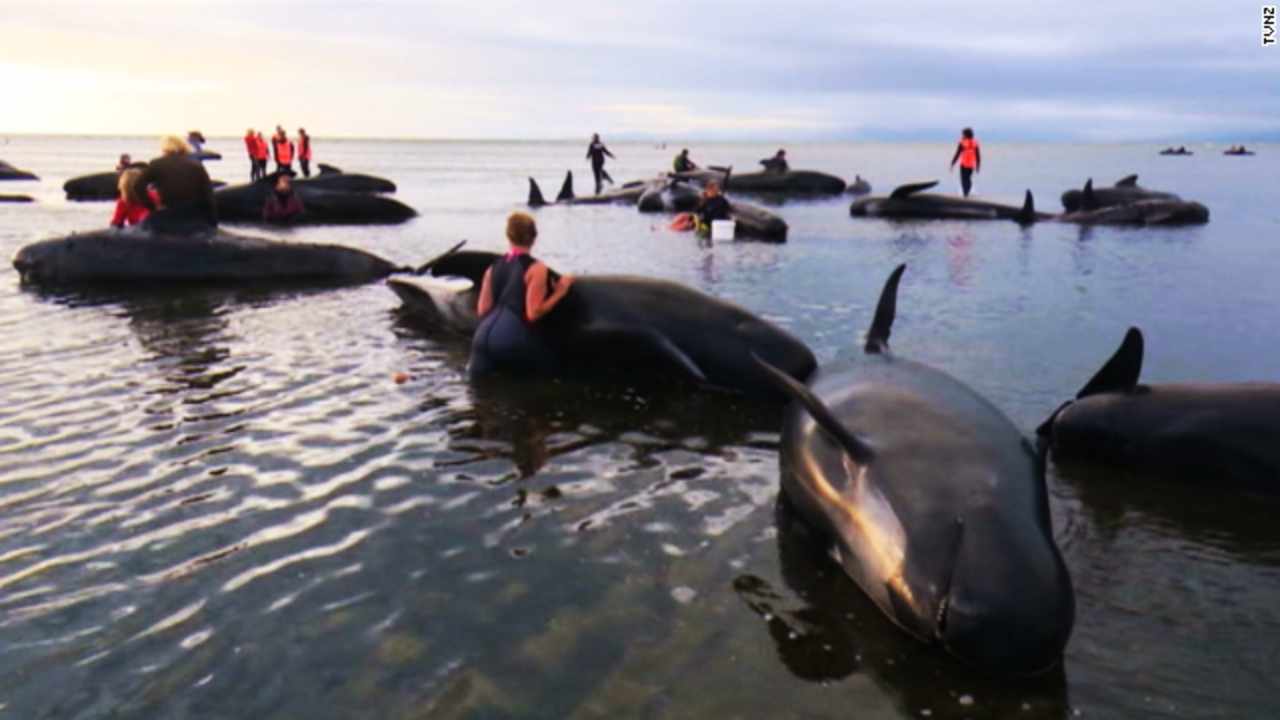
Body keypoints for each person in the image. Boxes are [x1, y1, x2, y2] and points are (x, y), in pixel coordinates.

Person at [469, 212, 575, 378]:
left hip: (481, 340)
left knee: (475, 392)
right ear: (534, 237)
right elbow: (534, 313)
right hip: (510, 339)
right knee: (553, 368)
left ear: (508, 236)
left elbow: (483, 310)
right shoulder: (537, 269)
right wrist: (560, 292)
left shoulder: (493, 267)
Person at [131, 135, 218, 233]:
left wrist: (152, 207)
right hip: (193, 215)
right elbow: (208, 196)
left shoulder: (156, 163)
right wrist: (212, 223)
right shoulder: (196, 166)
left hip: (168, 213)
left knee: (144, 224)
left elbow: (137, 186)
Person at [949, 127, 981, 197]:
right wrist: (978, 166)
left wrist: (952, 163)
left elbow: (957, 154)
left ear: (966, 135)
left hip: (963, 164)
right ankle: (967, 192)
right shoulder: (975, 143)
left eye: (963, 134)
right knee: (968, 178)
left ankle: (965, 194)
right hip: (971, 164)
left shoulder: (962, 143)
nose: (961, 136)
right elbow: (978, 155)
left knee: (964, 179)